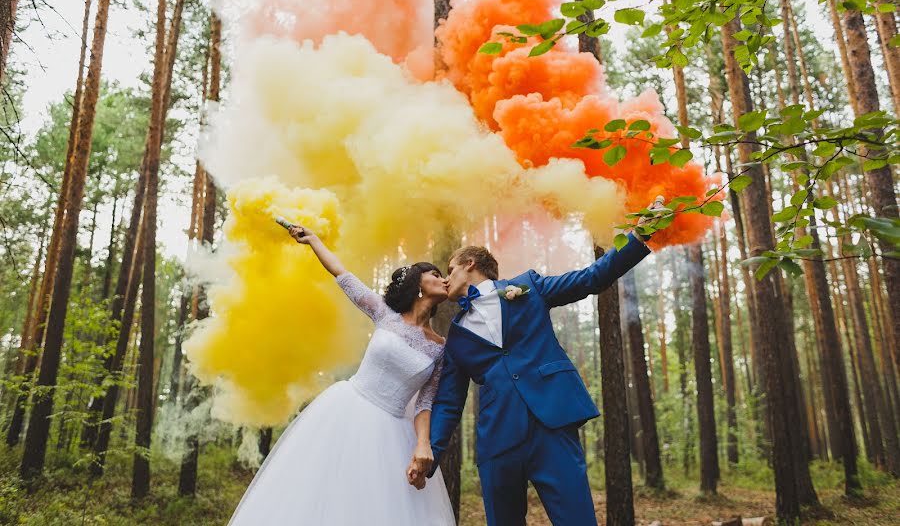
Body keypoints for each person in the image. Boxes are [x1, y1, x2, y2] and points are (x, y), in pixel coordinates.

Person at [418, 200, 663, 526]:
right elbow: (449, 402)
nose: (447, 279)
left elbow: (591, 278)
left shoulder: (529, 287)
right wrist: (429, 456)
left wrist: (641, 233)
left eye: (450, 270)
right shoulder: (456, 339)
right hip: (498, 441)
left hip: (553, 423)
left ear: (470, 264)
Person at [228, 224, 455, 525]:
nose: (444, 279)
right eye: (436, 274)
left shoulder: (440, 349)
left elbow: (426, 402)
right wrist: (313, 241)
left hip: (395, 434)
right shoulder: (385, 315)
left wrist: (423, 444)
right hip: (348, 411)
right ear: (418, 283)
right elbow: (343, 275)